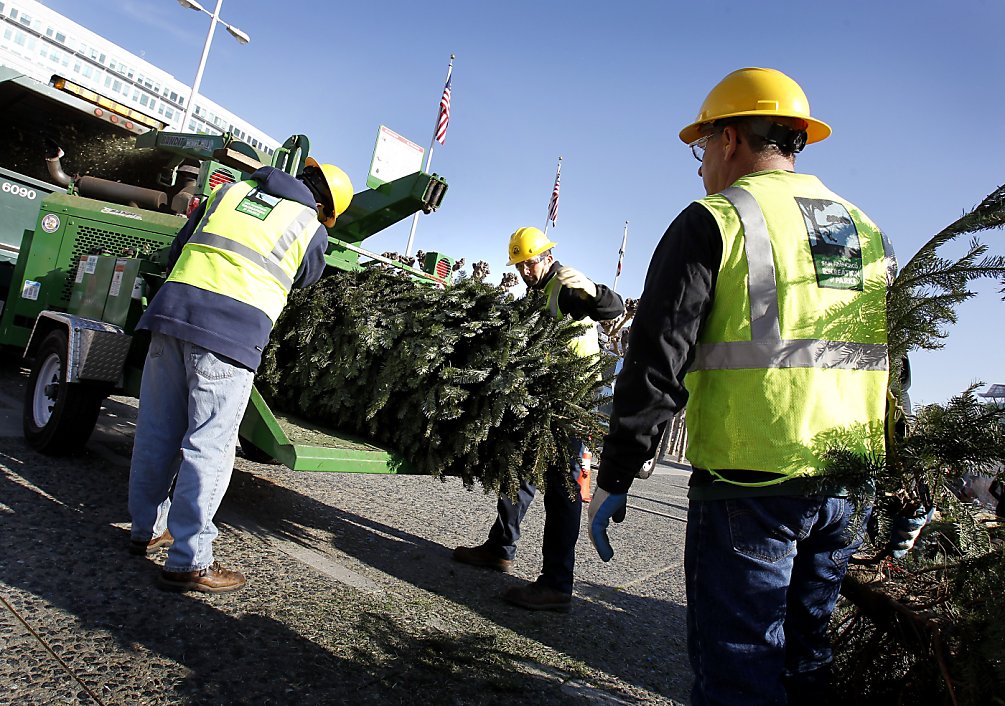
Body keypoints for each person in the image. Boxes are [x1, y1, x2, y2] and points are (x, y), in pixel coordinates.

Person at [588, 67, 895, 704]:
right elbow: (891, 361)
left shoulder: (718, 219)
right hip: (846, 485)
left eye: (702, 148)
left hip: (750, 482)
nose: (701, 166)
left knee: (740, 676)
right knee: (806, 664)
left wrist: (616, 472)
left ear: (729, 139)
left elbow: (656, 358)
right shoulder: (865, 231)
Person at [127, 156, 354, 594]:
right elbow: (306, 277)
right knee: (208, 445)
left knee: (157, 431)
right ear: (325, 208)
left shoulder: (227, 192)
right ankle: (190, 560)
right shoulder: (310, 226)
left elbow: (179, 248)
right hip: (229, 334)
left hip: (171, 315)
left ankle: (146, 531)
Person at [453, 226, 625, 612]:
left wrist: (595, 291)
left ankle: (557, 585)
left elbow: (612, 308)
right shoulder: (536, 292)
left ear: (546, 257)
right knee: (519, 473)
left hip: (571, 402)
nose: (525, 271)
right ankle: (500, 548)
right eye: (520, 266)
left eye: (530, 263)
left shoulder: (565, 286)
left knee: (563, 490)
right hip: (545, 400)